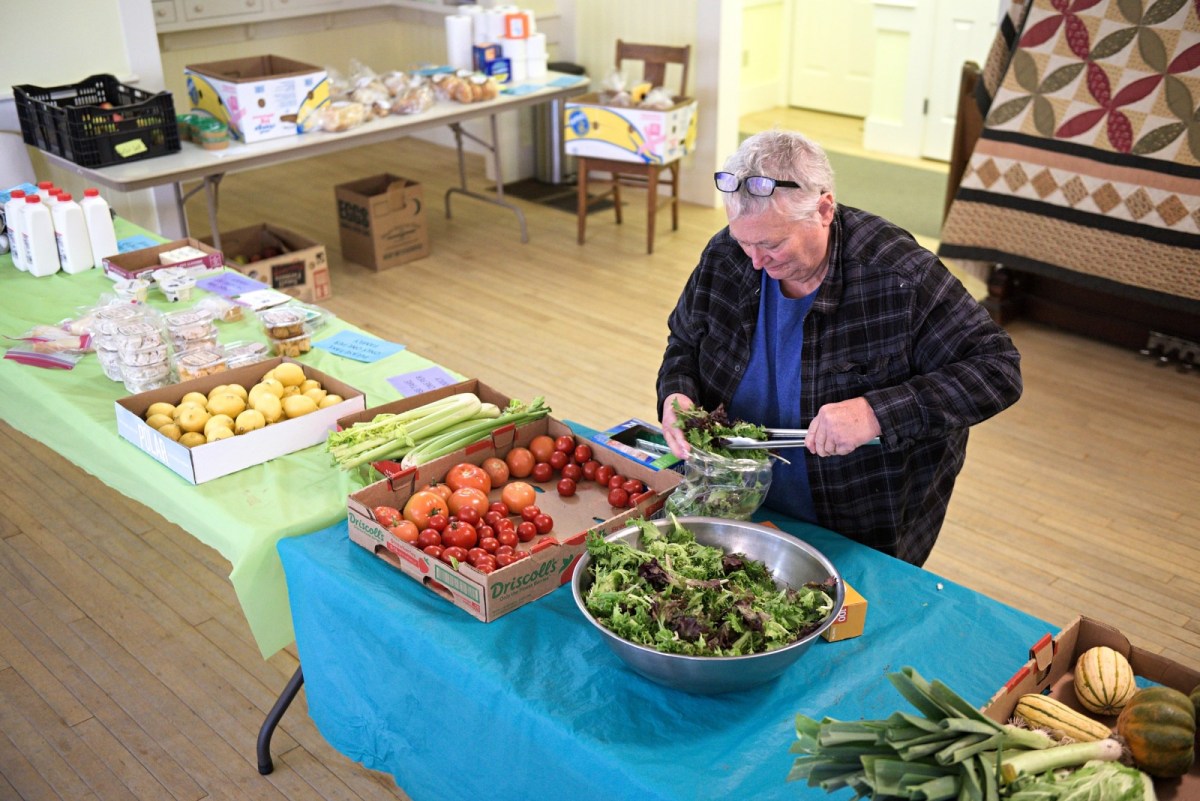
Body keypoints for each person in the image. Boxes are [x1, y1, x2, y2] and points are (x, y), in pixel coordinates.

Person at [657, 130, 1022, 566]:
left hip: (856, 522)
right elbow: (683, 340)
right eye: (744, 242)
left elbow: (998, 369)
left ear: (824, 209)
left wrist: (875, 413)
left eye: (772, 244)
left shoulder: (899, 276)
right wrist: (676, 394)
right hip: (736, 498)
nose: (754, 261)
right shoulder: (727, 254)